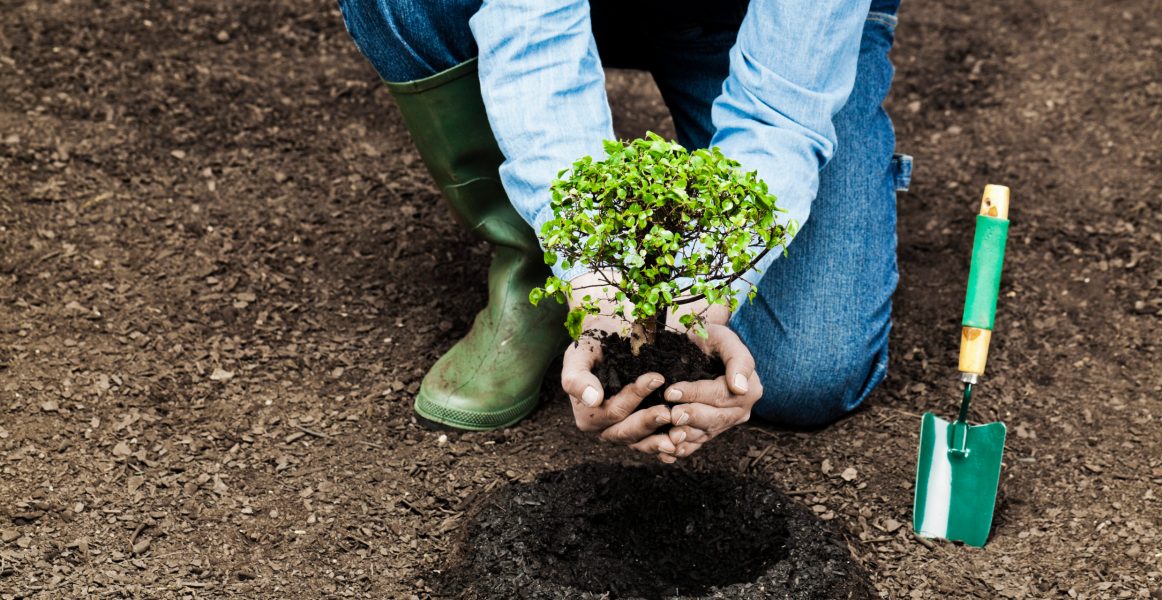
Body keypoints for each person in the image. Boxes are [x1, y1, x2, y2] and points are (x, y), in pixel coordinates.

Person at [336, 0, 911, 462]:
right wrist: (592, 272)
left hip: (756, 26)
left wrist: (706, 290)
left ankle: (671, 233)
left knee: (803, 373)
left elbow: (780, 111)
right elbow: (534, 35)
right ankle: (535, 264)